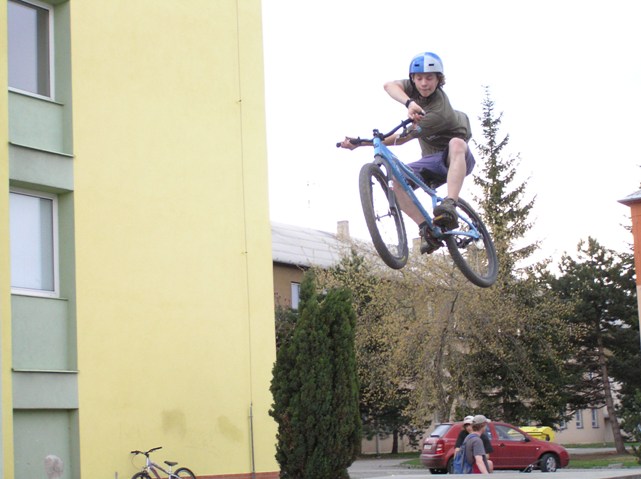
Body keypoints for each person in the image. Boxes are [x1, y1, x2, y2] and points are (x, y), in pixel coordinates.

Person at [339, 51, 475, 254]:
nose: (424, 84)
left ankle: (450, 203)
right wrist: (409, 102)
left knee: (456, 143)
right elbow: (389, 86)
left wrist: (363, 143)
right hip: (430, 162)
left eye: (429, 78)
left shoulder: (439, 112)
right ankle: (426, 229)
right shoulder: (414, 88)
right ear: (413, 79)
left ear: (439, 79)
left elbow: (402, 139)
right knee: (395, 181)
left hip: (456, 158)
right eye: (419, 78)